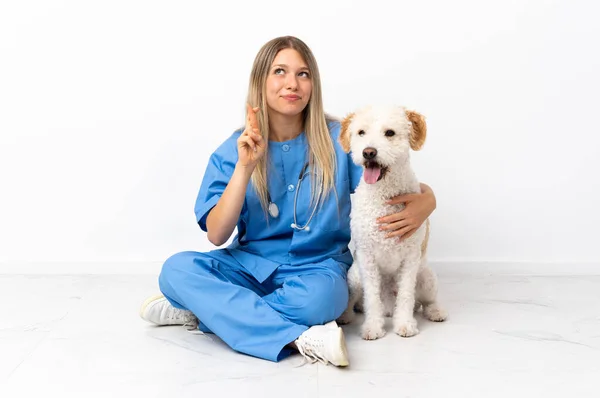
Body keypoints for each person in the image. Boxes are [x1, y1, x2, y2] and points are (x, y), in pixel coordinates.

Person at [139, 36, 437, 366]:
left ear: (314, 84)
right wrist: (245, 167)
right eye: (280, 71)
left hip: (317, 269)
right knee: (176, 270)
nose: (292, 84)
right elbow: (216, 234)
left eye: (303, 74)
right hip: (249, 265)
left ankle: (204, 311)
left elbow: (389, 182)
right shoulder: (233, 149)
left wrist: (429, 201)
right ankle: (298, 337)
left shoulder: (341, 138)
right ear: (261, 80)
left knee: (324, 301)